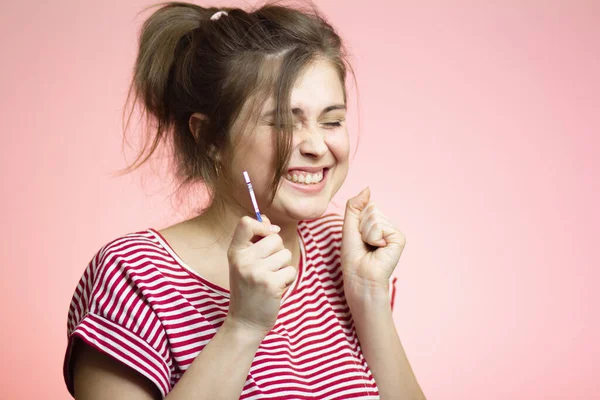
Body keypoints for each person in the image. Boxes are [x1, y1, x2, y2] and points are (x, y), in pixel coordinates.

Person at [62, 2, 426, 399]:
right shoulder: (134, 275)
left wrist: (369, 297)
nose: (317, 146)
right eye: (283, 123)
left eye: (332, 121)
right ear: (210, 137)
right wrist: (244, 324)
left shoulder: (340, 251)